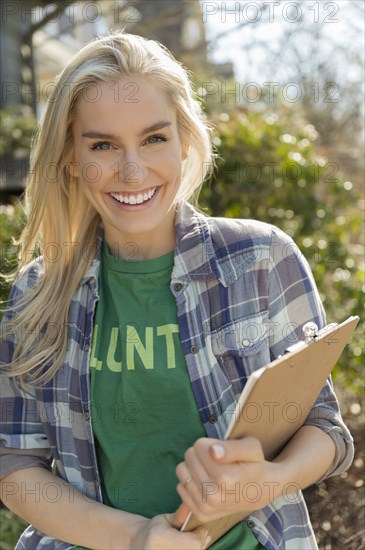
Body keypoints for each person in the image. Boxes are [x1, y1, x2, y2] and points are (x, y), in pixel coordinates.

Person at [0, 32, 354, 550]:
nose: (132, 170)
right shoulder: (39, 293)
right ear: (70, 158)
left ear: (185, 139)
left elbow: (324, 427)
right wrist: (139, 537)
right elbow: (15, 464)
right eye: (102, 145)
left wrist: (264, 481)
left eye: (154, 138)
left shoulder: (261, 259)